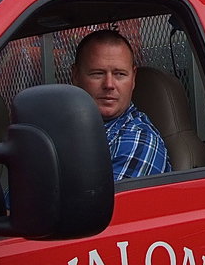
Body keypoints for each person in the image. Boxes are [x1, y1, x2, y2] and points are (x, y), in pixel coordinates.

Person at [71, 29, 171, 181]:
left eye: (120, 74)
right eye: (97, 73)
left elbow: (103, 204)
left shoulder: (138, 140)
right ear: (75, 76)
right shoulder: (66, 127)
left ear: (133, 79)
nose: (109, 84)